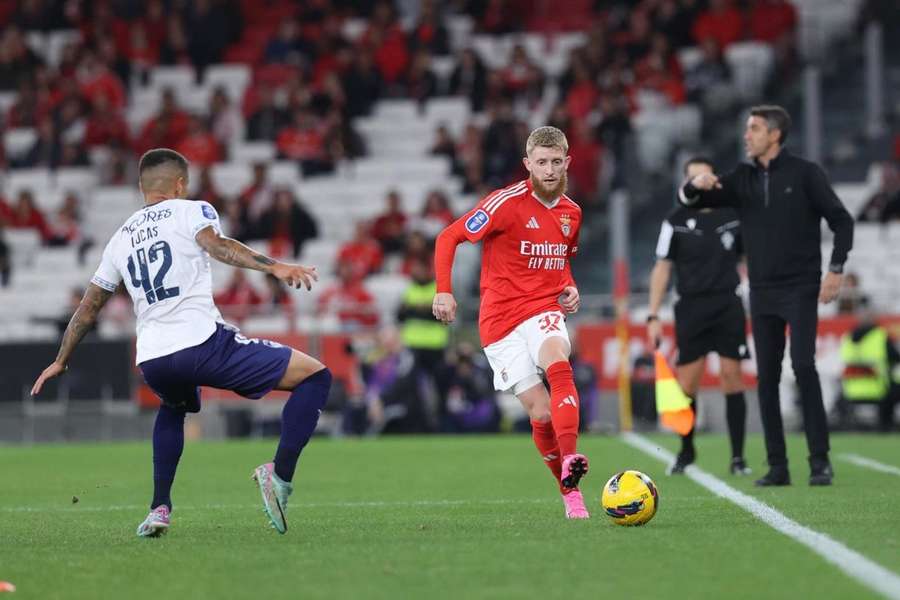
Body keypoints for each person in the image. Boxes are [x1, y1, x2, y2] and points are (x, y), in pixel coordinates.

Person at [30, 149, 331, 537]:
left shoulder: (120, 238)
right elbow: (218, 246)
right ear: (180, 184)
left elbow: (89, 308)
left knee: (173, 406)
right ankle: (280, 475)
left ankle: (159, 508)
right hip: (202, 344)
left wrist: (61, 359)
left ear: (142, 187)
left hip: (153, 357)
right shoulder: (192, 210)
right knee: (315, 376)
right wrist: (275, 266)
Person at [679, 105, 854, 486]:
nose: (747, 135)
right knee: (767, 377)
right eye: (747, 129)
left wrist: (836, 269)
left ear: (774, 135)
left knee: (804, 367)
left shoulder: (806, 173)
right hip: (761, 290)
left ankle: (819, 460)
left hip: (801, 286)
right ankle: (778, 466)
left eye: (754, 129)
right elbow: (694, 202)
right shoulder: (742, 177)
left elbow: (841, 219)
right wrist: (696, 185)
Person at [433, 126, 589, 519]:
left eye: (556, 162)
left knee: (559, 363)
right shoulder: (505, 202)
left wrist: (569, 287)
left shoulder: (573, 213)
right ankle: (567, 491)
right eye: (542, 162)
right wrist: (444, 290)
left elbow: (562, 260)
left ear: (567, 162)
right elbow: (448, 237)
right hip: (500, 321)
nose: (550, 170)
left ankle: (571, 460)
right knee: (539, 413)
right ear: (528, 164)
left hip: (543, 310)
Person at [648, 156, 751, 477]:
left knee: (732, 377)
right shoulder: (675, 220)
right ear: (685, 183)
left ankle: (737, 458)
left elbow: (751, 258)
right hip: (691, 307)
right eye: (694, 178)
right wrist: (653, 314)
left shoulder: (733, 216)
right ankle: (686, 450)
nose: (701, 183)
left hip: (727, 305)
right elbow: (662, 268)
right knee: (687, 384)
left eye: (705, 177)